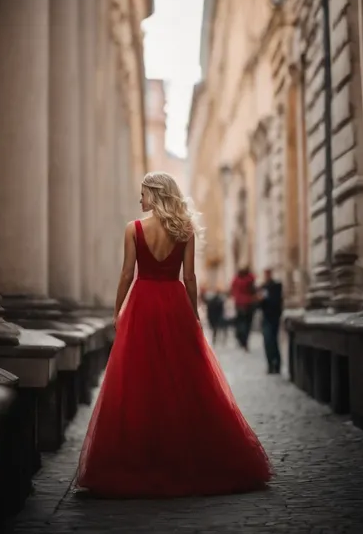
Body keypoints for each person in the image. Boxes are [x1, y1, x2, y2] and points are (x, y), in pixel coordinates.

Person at [76, 171, 272, 498]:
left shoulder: (134, 229)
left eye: (143, 194)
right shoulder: (185, 230)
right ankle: (189, 456)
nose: (140, 200)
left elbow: (127, 273)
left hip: (141, 305)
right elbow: (191, 277)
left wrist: (117, 309)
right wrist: (193, 313)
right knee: (183, 379)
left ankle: (140, 459)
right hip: (173, 303)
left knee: (139, 381)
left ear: (155, 194)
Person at [258, 268, 283, 374]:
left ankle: (276, 364)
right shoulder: (263, 287)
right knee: (267, 342)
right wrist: (260, 300)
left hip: (274, 317)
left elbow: (277, 301)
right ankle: (270, 364)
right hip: (266, 318)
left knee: (273, 341)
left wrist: (265, 299)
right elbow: (259, 305)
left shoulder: (276, 286)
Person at [231, 266, 257, 351]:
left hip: (239, 304)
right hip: (249, 304)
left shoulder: (236, 280)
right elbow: (253, 291)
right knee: (247, 324)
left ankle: (241, 339)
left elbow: (232, 290)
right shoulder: (250, 279)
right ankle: (245, 341)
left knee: (240, 323)